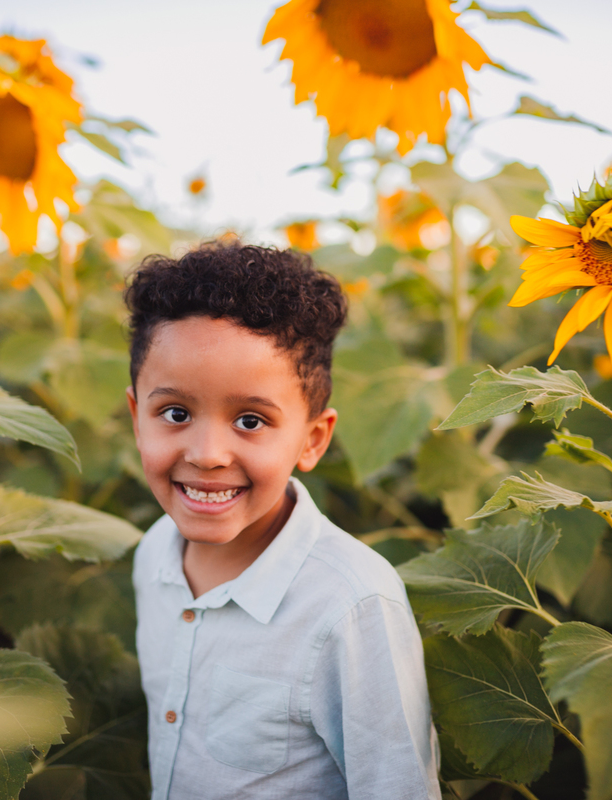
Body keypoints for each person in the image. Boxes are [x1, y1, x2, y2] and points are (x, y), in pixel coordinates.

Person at [124, 241, 440, 799]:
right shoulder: (153, 553)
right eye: (175, 413)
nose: (207, 454)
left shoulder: (352, 606)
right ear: (136, 416)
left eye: (250, 420)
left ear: (312, 439)